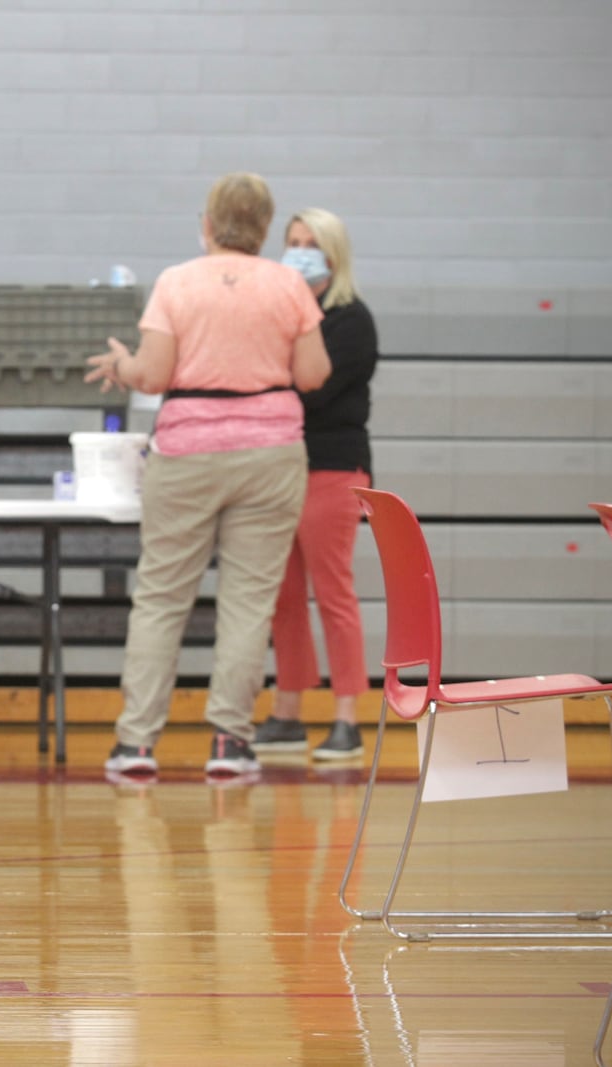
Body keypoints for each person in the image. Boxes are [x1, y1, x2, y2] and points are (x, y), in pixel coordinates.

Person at [86, 173, 331, 778]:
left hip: (187, 450)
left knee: (163, 598)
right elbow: (314, 373)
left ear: (207, 223)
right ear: (266, 227)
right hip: (271, 452)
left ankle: (136, 745)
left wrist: (122, 363)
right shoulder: (290, 284)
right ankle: (230, 741)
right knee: (249, 604)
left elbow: (153, 374)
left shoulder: (176, 283)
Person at [253, 209, 378, 761]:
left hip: (331, 468)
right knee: (283, 597)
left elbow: (312, 391)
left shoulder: (351, 319)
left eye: (311, 244)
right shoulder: (278, 312)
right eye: (293, 241)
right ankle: (287, 712)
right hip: (281, 469)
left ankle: (348, 717)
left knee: (334, 594)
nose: (300, 251)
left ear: (333, 255)